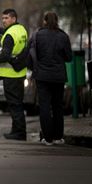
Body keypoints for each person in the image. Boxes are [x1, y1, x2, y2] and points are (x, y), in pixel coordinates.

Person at [31, 11, 72, 146]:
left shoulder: (37, 35)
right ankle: (58, 137)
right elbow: (69, 57)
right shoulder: (63, 36)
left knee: (44, 106)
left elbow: (31, 53)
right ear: (57, 21)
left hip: (42, 76)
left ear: (44, 21)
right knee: (57, 106)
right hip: (58, 76)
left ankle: (47, 138)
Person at [0, 8, 28, 141]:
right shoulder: (21, 30)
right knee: (18, 104)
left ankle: (19, 133)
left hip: (10, 75)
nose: (3, 21)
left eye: (6, 18)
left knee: (14, 105)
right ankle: (17, 131)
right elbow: (9, 34)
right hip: (20, 73)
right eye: (3, 18)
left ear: (13, 19)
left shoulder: (10, 35)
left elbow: (5, 55)